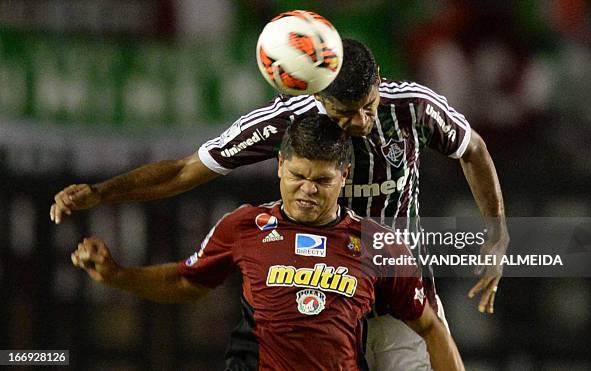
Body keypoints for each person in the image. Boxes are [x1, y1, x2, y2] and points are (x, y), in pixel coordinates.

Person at [52, 39, 507, 369]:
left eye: (368, 106)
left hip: (394, 296)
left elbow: (474, 150)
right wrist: (101, 192)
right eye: (345, 112)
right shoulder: (283, 123)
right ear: (316, 95)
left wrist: (498, 231)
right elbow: (185, 170)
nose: (361, 121)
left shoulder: (413, 108)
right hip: (317, 297)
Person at [70, 116, 465, 370]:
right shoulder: (245, 226)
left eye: (322, 180)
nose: (307, 190)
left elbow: (430, 328)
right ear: (279, 165)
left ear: (344, 175)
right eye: (297, 175)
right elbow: (186, 281)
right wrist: (118, 275)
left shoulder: (377, 245)